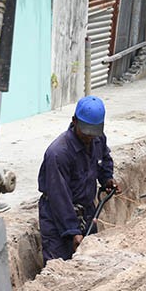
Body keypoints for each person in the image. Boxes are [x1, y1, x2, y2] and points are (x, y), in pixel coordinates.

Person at [38, 96, 120, 262]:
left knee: (91, 265)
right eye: (86, 132)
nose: (89, 137)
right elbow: (59, 197)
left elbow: (104, 158)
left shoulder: (98, 138)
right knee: (59, 268)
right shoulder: (58, 153)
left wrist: (106, 179)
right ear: (74, 121)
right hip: (58, 216)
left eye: (93, 132)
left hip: (87, 213)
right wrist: (73, 231)